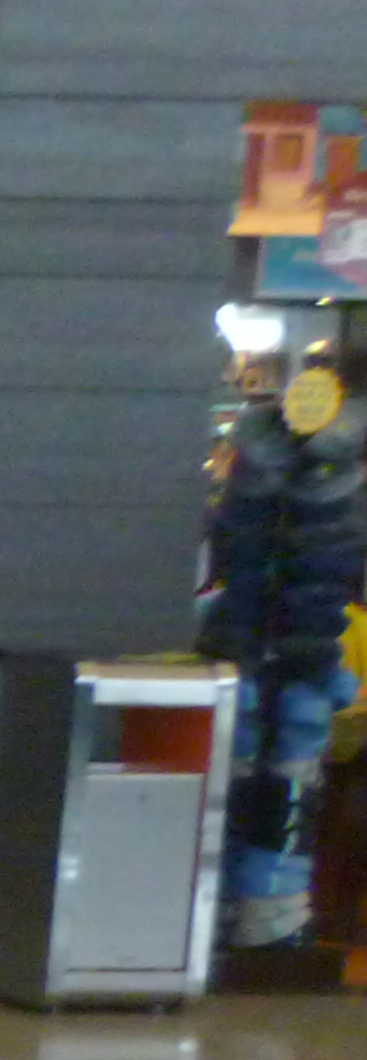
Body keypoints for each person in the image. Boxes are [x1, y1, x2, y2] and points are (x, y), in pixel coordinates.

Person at [200, 341, 361, 952]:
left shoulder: (255, 498)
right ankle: (268, 907)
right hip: (293, 661)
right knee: (287, 751)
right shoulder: (337, 497)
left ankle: (235, 902)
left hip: (259, 653)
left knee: (255, 754)